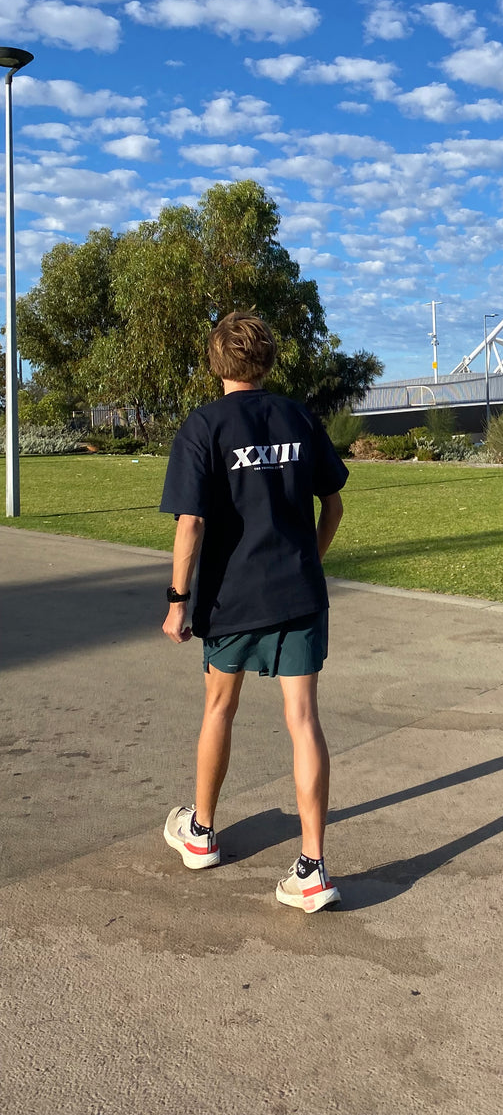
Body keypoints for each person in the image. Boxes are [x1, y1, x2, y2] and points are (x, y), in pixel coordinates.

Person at [159, 311, 348, 913]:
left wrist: (177, 601)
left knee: (220, 707)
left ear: (217, 363)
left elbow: (192, 521)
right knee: (304, 721)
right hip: (297, 595)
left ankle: (201, 833)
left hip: (230, 598)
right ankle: (312, 868)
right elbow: (334, 506)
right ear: (266, 360)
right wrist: (309, 566)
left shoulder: (203, 426)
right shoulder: (298, 417)